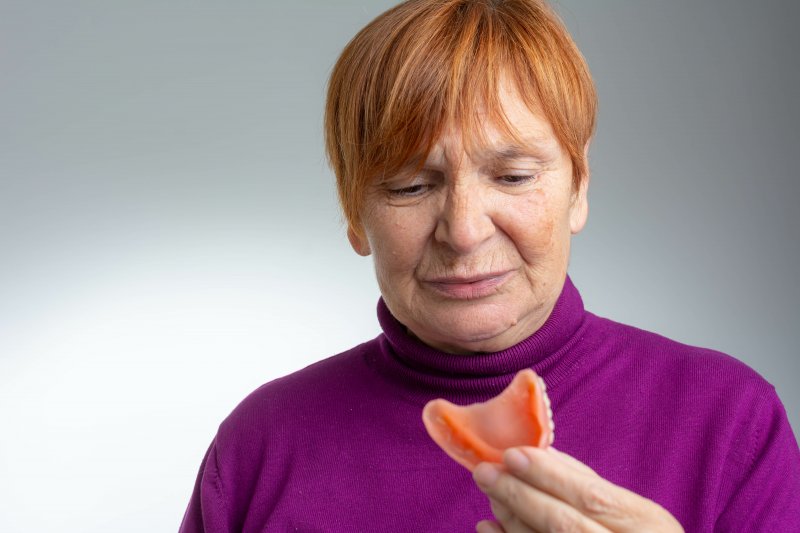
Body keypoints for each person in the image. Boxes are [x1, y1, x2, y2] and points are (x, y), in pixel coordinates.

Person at [179, 0, 800, 531]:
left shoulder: (728, 420)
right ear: (351, 210)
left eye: (513, 176)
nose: (465, 231)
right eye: (409, 187)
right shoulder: (261, 444)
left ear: (578, 186)